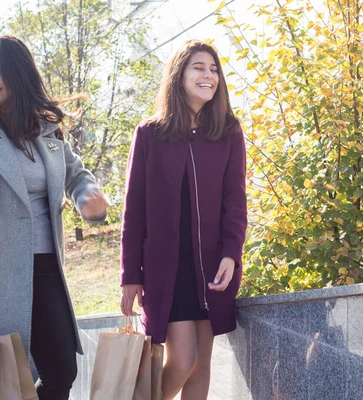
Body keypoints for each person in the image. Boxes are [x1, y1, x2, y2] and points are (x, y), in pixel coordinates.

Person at [0, 35, 108, 400]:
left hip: (46, 268)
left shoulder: (44, 128)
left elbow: (75, 174)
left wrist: (87, 196)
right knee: (0, 379)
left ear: (19, 74)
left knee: (62, 369)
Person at [120, 39, 247, 400]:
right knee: (183, 360)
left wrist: (230, 253)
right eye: (199, 67)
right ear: (179, 75)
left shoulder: (228, 133)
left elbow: (235, 202)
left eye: (213, 69)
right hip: (166, 269)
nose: (209, 75)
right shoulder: (150, 134)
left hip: (210, 266)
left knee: (202, 364)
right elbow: (134, 211)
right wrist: (130, 275)